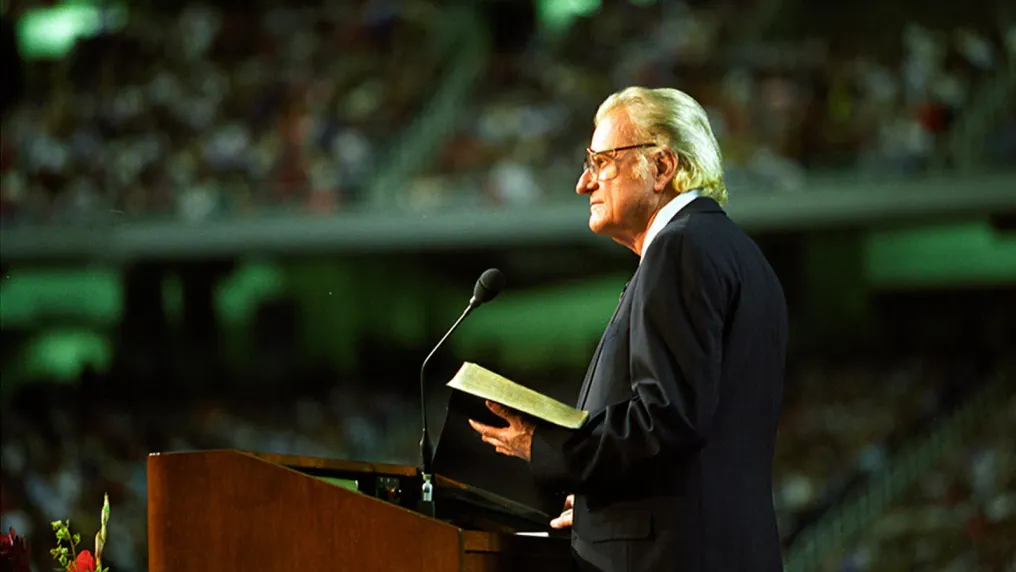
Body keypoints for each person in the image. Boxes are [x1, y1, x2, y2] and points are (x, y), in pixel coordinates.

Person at [468, 86, 788, 572]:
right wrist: (605, 507)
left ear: (661, 167)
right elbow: (700, 442)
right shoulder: (739, 253)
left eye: (601, 161)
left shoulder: (680, 248)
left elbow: (666, 419)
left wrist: (545, 445)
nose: (584, 182)